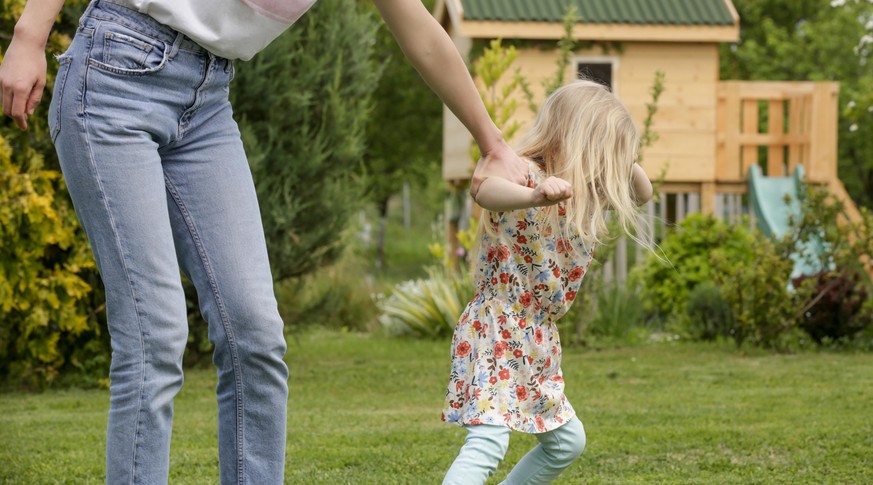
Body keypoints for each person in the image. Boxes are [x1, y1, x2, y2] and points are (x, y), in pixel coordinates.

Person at [0, 0, 528, 483]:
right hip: (114, 71)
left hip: (206, 98)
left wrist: (493, 143)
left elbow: (423, 34)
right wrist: (30, 33)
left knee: (255, 334)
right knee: (154, 335)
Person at [440, 80, 654, 485]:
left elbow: (643, 192)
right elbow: (486, 191)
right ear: (575, 139)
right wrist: (535, 195)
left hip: (537, 337)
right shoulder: (526, 176)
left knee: (567, 442)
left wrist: (621, 155)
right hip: (497, 328)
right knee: (488, 442)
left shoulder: (587, 194)